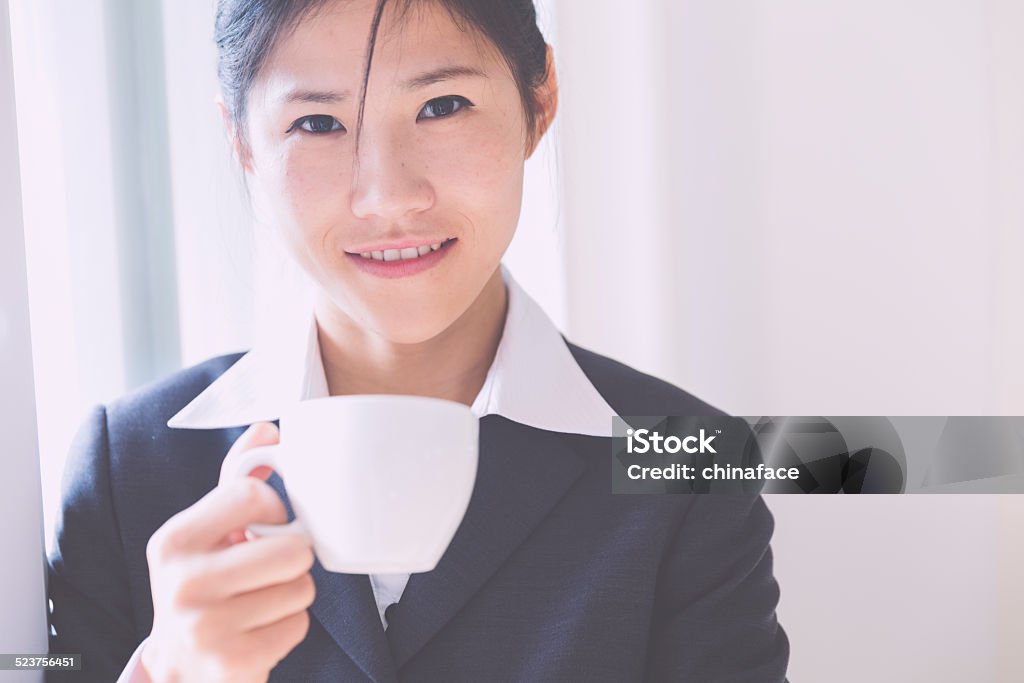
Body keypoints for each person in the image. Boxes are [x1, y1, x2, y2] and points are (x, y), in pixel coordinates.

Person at [45, 0, 790, 680]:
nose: (389, 196)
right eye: (318, 123)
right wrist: (164, 672)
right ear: (241, 139)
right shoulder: (126, 469)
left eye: (442, 106)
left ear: (540, 100)